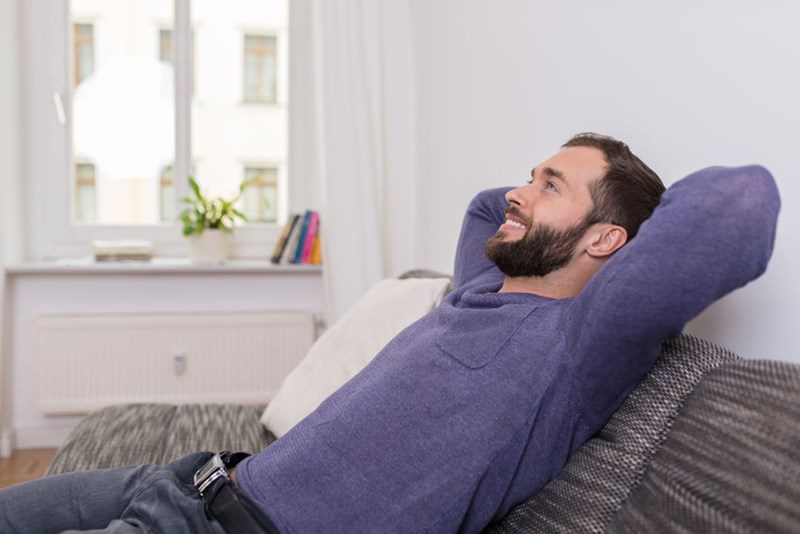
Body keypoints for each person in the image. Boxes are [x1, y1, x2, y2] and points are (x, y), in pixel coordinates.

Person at [0, 133, 780, 533]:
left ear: (608, 241)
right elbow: (486, 210)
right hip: (187, 482)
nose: (517, 192)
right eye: (530, 174)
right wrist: (548, 202)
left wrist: (618, 226)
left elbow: (739, 206)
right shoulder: (480, 288)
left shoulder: (579, 344)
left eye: (548, 185)